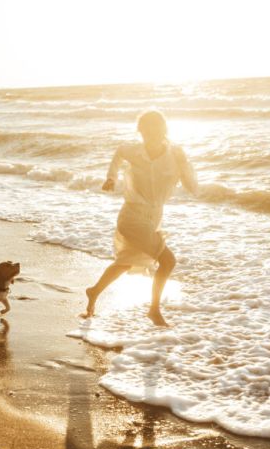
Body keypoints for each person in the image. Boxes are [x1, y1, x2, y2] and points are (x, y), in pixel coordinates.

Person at [83, 110, 198, 327]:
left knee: (125, 263)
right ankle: (154, 310)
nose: (152, 134)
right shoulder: (134, 151)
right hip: (132, 216)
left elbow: (191, 186)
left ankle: (94, 291)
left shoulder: (175, 154)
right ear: (141, 131)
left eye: (157, 129)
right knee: (168, 261)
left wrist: (186, 167)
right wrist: (111, 177)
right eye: (147, 130)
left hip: (153, 217)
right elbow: (118, 153)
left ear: (164, 130)